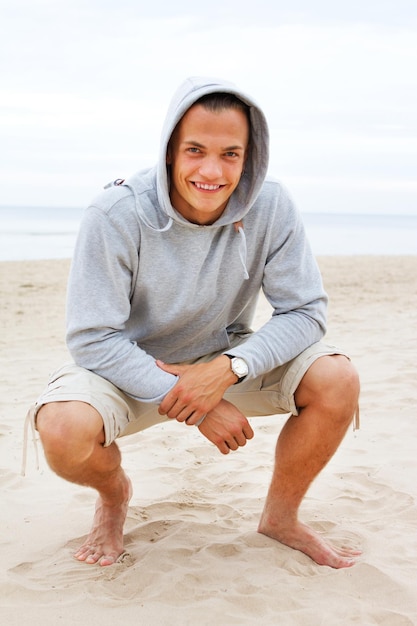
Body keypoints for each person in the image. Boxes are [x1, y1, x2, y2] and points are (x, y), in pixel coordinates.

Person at [30, 76, 360, 569]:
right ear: (169, 151)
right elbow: (93, 337)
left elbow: (306, 311)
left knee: (337, 378)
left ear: (250, 155)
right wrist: (199, 405)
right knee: (61, 429)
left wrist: (229, 368)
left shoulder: (271, 205)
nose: (212, 170)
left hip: (221, 355)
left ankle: (281, 518)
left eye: (231, 153)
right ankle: (114, 496)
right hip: (126, 366)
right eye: (195, 150)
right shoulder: (116, 212)